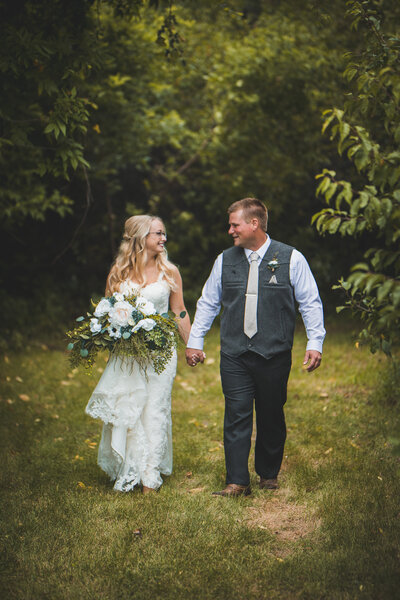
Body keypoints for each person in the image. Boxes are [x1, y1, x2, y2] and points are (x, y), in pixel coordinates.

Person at [186, 198, 325, 497]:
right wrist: (194, 341)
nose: (230, 231)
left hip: (274, 352)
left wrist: (315, 342)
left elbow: (309, 302)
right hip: (234, 351)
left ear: (254, 224)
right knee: (236, 413)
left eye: (234, 224)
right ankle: (237, 481)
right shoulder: (224, 260)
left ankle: (268, 473)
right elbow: (208, 302)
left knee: (271, 412)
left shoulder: (291, 258)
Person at [86, 215, 190, 494]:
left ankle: (149, 477)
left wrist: (191, 344)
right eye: (157, 234)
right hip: (128, 352)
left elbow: (179, 311)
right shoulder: (118, 272)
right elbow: (107, 310)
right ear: (140, 238)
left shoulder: (170, 272)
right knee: (130, 407)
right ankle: (130, 468)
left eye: (164, 234)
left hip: (161, 350)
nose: (163, 239)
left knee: (155, 407)